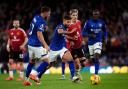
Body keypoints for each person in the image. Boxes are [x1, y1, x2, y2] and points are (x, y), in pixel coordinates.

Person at [29, 15, 79, 84]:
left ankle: (73, 77)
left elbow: (64, 35)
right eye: (68, 22)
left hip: (61, 48)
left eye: (70, 22)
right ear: (64, 21)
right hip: (53, 49)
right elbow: (60, 31)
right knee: (48, 65)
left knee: (70, 59)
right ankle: (36, 75)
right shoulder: (60, 26)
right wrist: (71, 32)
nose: (69, 23)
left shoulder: (66, 27)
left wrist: (72, 38)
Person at [23, 6, 51, 86]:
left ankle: (26, 80)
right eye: (48, 13)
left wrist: (44, 27)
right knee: (48, 62)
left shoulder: (36, 17)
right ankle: (34, 74)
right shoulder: (41, 21)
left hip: (30, 44)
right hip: (36, 45)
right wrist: (45, 45)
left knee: (31, 62)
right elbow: (39, 34)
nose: (49, 15)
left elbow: (33, 27)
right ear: (45, 12)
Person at [61, 9, 86, 80]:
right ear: (70, 16)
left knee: (83, 64)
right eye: (73, 15)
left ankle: (75, 74)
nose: (75, 17)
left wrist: (82, 40)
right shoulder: (68, 25)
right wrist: (70, 39)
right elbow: (64, 35)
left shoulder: (78, 22)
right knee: (77, 62)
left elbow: (79, 32)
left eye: (76, 15)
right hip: (72, 47)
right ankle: (75, 75)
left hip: (79, 46)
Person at [82, 9, 107, 79]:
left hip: (98, 41)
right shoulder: (88, 22)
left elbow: (105, 31)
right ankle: (97, 65)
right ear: (92, 15)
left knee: (96, 56)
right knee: (93, 59)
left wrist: (106, 38)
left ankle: (96, 74)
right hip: (90, 43)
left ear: (98, 15)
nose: (95, 15)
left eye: (96, 14)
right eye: (94, 14)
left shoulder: (102, 22)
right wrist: (90, 35)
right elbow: (83, 33)